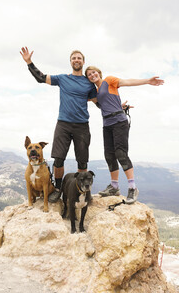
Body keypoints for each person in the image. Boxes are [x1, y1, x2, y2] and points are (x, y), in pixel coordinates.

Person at [20, 47, 98, 202]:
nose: (76, 60)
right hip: (63, 124)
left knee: (82, 161)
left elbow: (98, 102)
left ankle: (84, 191)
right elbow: (41, 78)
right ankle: (58, 189)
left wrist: (117, 106)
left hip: (82, 125)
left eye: (79, 58)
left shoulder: (89, 83)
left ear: (83, 62)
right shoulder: (63, 78)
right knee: (58, 159)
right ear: (71, 62)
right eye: (74, 58)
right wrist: (29, 62)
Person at [84, 66, 164, 204]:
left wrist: (147, 81)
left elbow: (127, 82)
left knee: (121, 153)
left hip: (119, 122)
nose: (92, 75)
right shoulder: (95, 92)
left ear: (99, 73)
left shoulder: (109, 80)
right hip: (107, 124)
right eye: (89, 75)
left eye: (94, 72)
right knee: (109, 155)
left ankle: (133, 188)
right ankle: (114, 187)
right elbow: (102, 103)